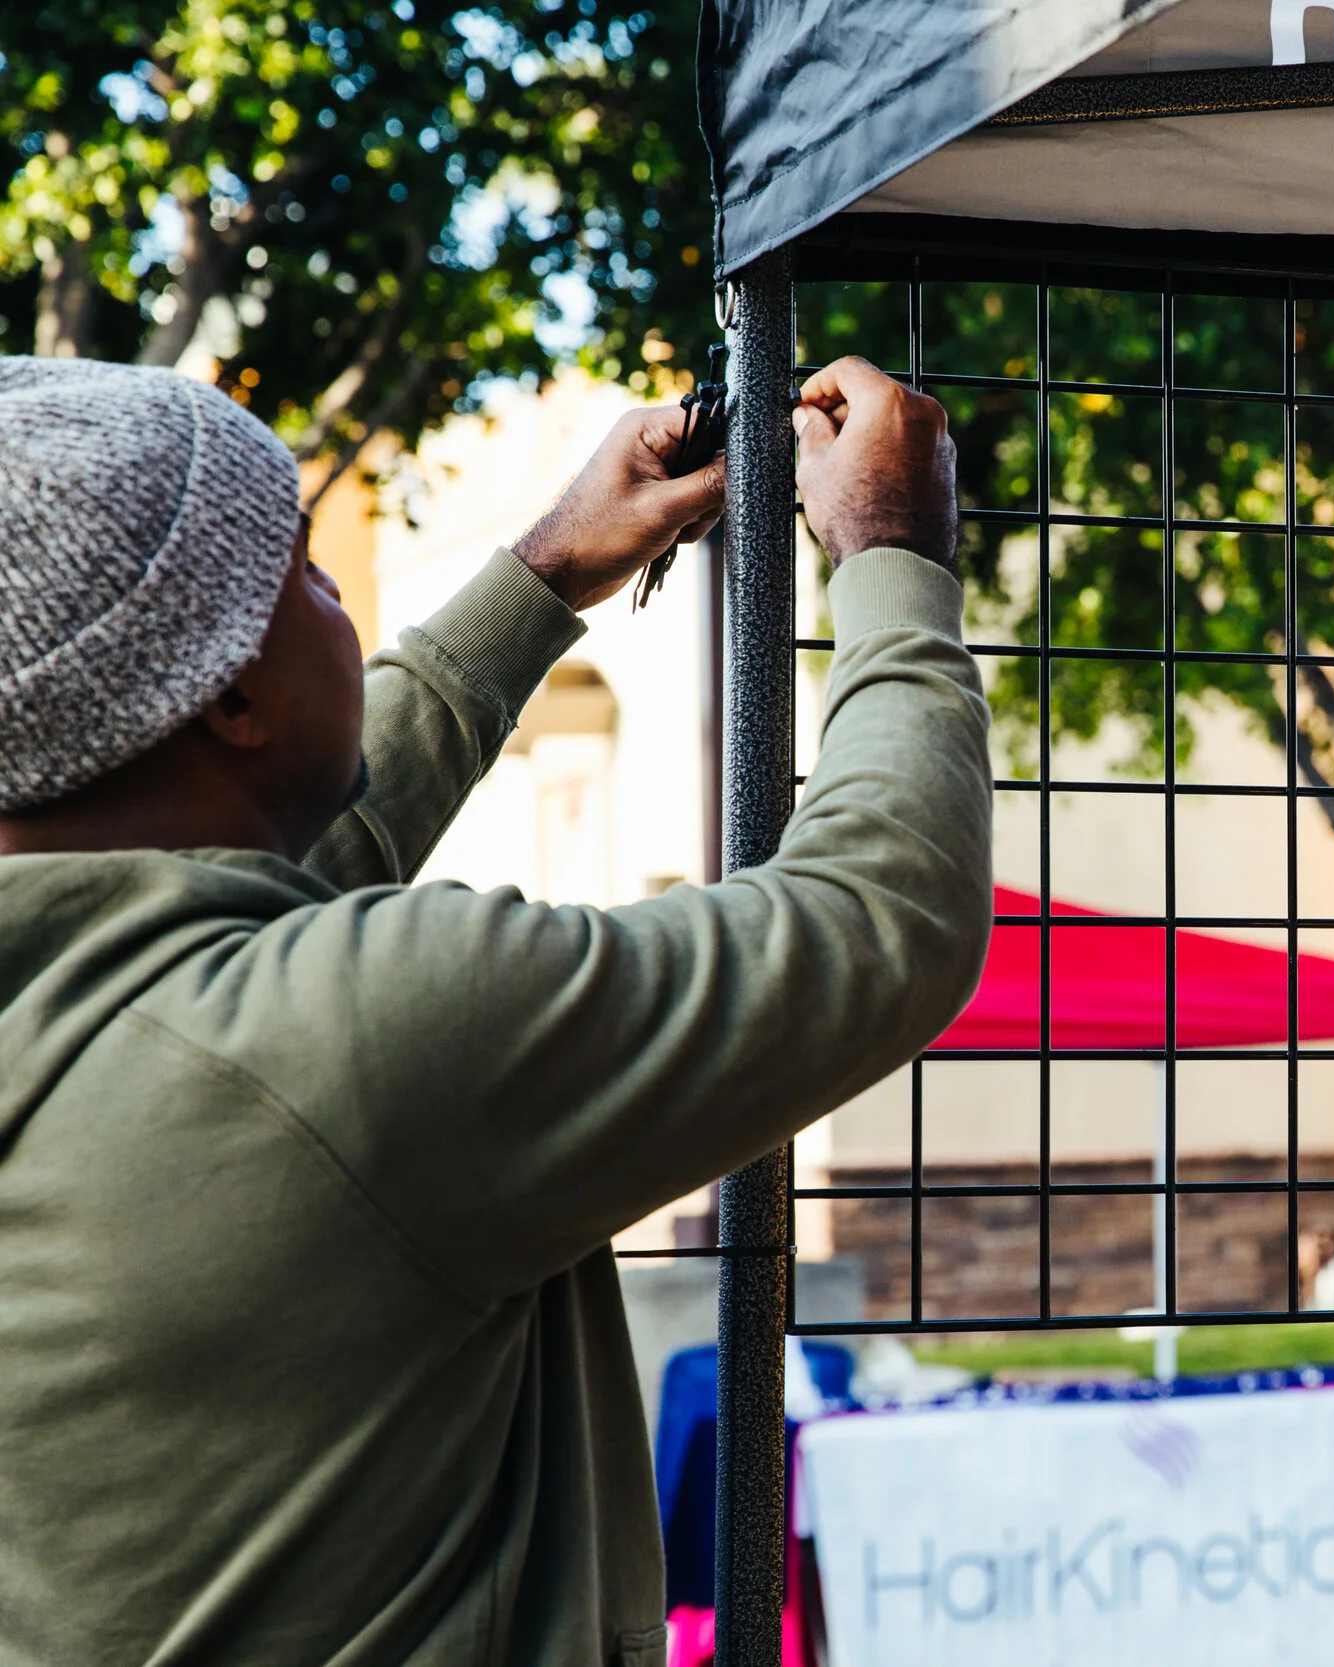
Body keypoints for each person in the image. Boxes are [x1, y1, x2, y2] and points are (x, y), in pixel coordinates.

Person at [0, 354, 991, 1664]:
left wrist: (544, 572)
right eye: (303, 567)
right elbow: (884, 913)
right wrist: (891, 554)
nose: (340, 588)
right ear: (232, 694)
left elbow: (254, 896)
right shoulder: (352, 1045)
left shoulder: (106, 1022)